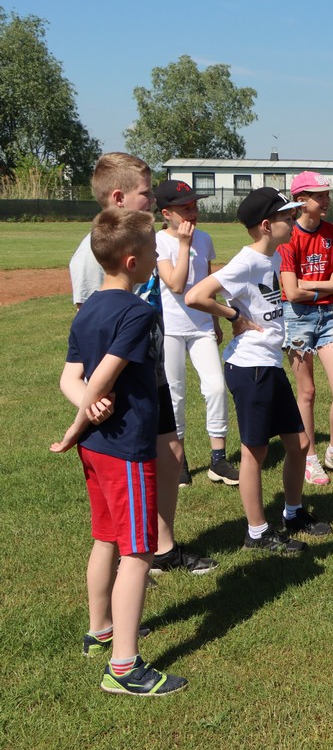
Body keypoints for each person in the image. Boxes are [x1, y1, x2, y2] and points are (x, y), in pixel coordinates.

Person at [51, 209, 187, 695]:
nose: (158, 257)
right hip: (125, 447)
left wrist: (82, 411)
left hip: (95, 448)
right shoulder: (137, 311)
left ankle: (101, 630)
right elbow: (102, 375)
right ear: (133, 261)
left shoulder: (86, 308)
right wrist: (86, 408)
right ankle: (124, 667)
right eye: (154, 252)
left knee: (106, 537)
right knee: (138, 551)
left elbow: (72, 378)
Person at [68, 152, 215, 576]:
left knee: (170, 453)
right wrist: (92, 396)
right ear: (118, 197)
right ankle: (130, 561)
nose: (153, 201)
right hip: (120, 385)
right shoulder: (93, 254)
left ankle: (161, 548)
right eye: (146, 194)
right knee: (130, 476)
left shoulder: (147, 241)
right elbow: (87, 327)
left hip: (152, 371)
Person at [186, 187, 332, 553]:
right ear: (267, 225)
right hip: (250, 368)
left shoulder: (273, 257)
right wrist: (234, 316)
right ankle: (256, 533)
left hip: (268, 363)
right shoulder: (247, 260)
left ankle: (294, 513)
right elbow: (196, 296)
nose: (293, 222)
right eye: (287, 218)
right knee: (255, 453)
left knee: (299, 444)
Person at [277, 171, 333, 485]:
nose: (326, 200)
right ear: (301, 201)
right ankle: (309, 458)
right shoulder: (288, 237)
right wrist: (329, 285)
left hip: (327, 317)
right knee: (307, 392)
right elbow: (292, 292)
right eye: (319, 196)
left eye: (326, 195)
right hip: (296, 318)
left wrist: (312, 286)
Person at [154, 179, 237, 487]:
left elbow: (207, 282)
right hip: (171, 330)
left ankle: (219, 460)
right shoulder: (158, 241)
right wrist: (184, 245)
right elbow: (175, 284)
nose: (193, 212)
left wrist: (215, 321)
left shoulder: (204, 238)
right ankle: (179, 460)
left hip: (201, 326)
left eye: (194, 206)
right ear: (166, 213)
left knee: (215, 387)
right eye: (185, 208)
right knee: (175, 396)